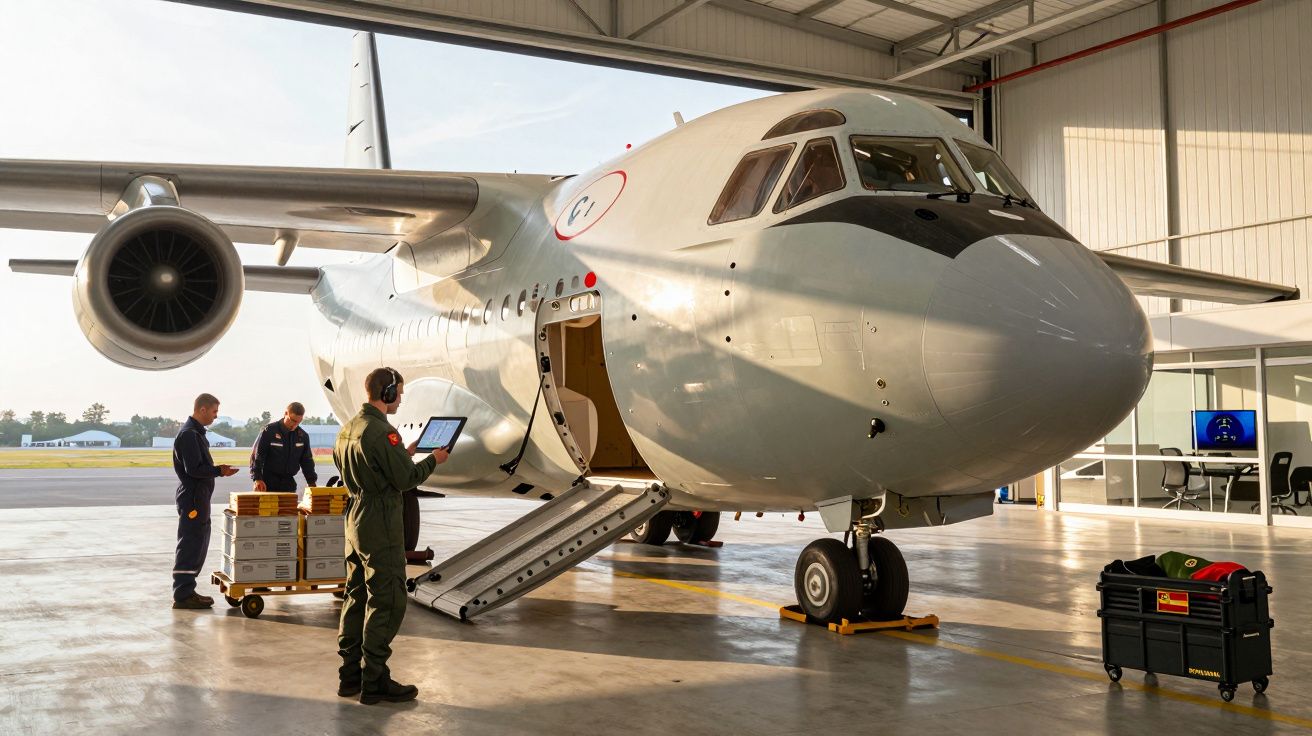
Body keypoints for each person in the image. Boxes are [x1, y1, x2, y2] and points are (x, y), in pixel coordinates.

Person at [334, 367, 449, 704]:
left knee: (355, 595)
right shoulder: (383, 432)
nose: (400, 398)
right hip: (380, 520)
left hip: (355, 516)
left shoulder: (349, 429)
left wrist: (405, 452)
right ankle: (375, 680)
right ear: (386, 394)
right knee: (388, 598)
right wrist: (434, 460)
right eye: (398, 392)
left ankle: (349, 676)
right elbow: (405, 480)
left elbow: (375, 467)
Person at [172, 393, 238, 610]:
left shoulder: (195, 434)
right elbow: (194, 469)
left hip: (198, 497)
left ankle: (187, 590)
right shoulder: (189, 435)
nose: (215, 416)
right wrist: (219, 471)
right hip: (193, 499)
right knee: (191, 542)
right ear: (202, 409)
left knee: (199, 541)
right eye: (214, 412)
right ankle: (183, 594)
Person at [250, 402, 318, 492]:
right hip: (267, 483)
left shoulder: (302, 436)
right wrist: (257, 479)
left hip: (288, 483)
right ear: (286, 413)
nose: (294, 425)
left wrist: (311, 482)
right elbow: (257, 456)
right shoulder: (269, 431)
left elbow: (307, 461)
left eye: (298, 422)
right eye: (292, 420)